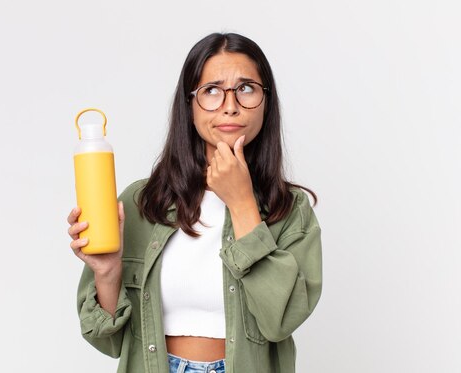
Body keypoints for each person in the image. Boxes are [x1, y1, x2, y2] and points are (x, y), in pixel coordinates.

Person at [67, 32, 322, 373]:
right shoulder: (143, 202)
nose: (230, 105)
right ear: (190, 105)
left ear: (266, 102)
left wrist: (243, 202)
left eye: (246, 88)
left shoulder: (290, 211)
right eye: (212, 91)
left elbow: (281, 320)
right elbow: (108, 341)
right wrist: (108, 273)